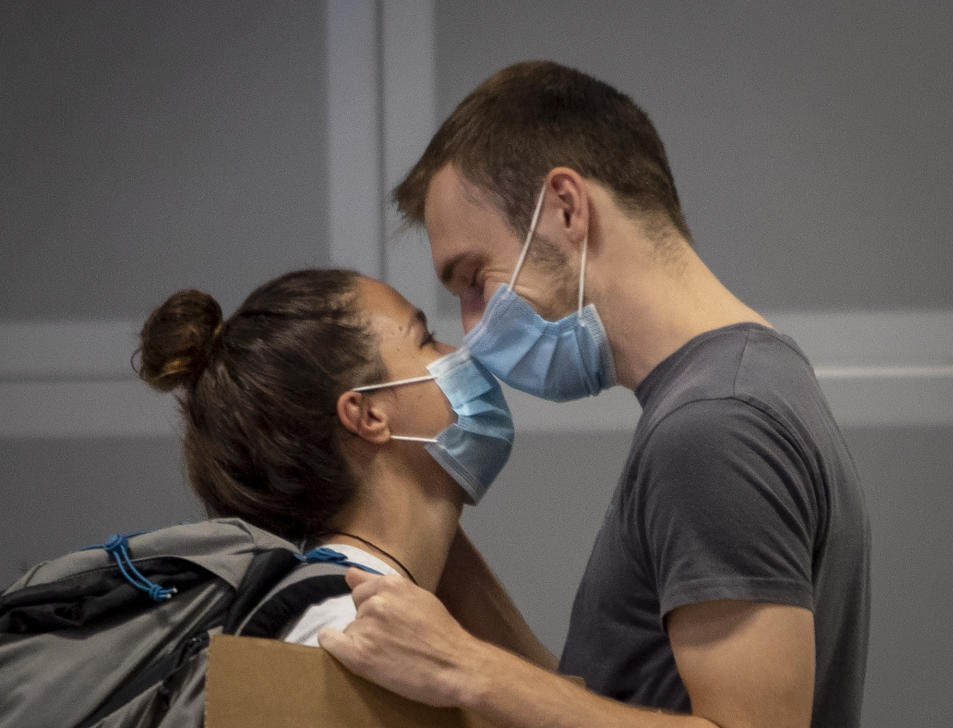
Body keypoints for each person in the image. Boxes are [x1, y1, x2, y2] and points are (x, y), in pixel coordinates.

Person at [316, 61, 871, 728]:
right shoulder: (748, 380)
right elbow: (623, 705)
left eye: (472, 277)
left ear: (566, 209)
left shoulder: (715, 426)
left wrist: (466, 670)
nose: (471, 329)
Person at [136, 268, 538, 649]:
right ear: (368, 415)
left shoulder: (365, 611)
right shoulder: (350, 633)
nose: (458, 351)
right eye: (426, 339)